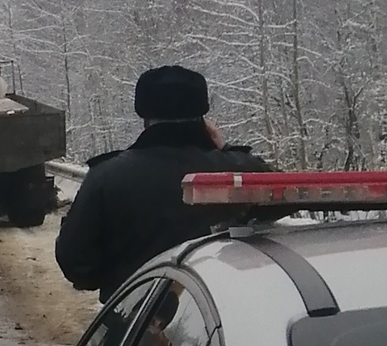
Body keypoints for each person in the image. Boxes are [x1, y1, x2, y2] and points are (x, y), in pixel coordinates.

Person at [54, 66, 270, 299]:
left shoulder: (107, 177)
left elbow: (76, 264)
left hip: (136, 320)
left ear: (144, 116)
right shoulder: (243, 174)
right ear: (204, 118)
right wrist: (226, 151)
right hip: (229, 317)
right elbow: (285, 205)